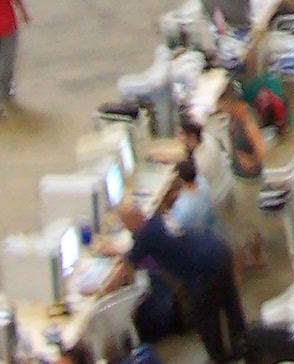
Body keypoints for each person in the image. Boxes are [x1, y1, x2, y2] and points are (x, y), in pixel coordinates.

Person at [114, 199, 245, 364]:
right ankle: (243, 344)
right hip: (218, 251)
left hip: (203, 272)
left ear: (131, 220)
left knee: (205, 317)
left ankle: (219, 358)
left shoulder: (144, 237)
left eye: (124, 222)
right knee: (230, 304)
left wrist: (105, 284)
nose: (124, 226)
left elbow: (129, 264)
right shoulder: (158, 218)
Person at [216, 85, 268, 179]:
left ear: (228, 102)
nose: (222, 110)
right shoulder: (236, 114)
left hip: (248, 178)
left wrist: (251, 161)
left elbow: (262, 151)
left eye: (222, 106)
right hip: (237, 169)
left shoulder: (248, 121)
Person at [167, 158, 220, 237]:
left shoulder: (183, 208)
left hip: (193, 235)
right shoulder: (202, 181)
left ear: (180, 178)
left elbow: (172, 230)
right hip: (210, 227)